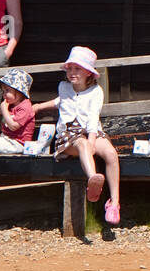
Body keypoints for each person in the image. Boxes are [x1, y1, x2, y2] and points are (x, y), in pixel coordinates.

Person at [31, 47, 121, 225]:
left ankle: (114, 203)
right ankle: (92, 179)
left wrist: (93, 140)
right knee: (83, 145)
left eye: (77, 68)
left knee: (111, 154)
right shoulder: (63, 87)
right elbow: (61, 101)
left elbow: (93, 118)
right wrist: (39, 107)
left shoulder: (96, 92)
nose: (72, 72)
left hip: (92, 131)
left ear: (88, 72)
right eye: (70, 68)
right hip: (69, 136)